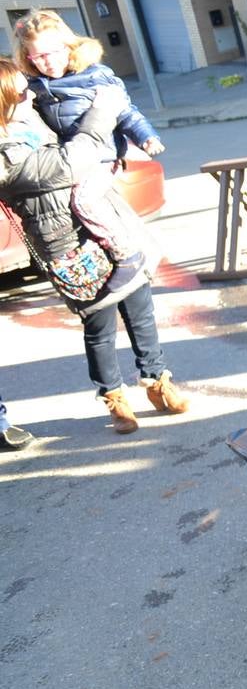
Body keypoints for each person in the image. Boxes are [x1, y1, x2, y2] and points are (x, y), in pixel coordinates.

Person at [0, 58, 189, 434]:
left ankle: (158, 382)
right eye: (22, 89)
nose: (30, 92)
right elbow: (73, 160)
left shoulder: (33, 119)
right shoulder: (6, 154)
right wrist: (103, 109)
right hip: (70, 246)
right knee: (100, 327)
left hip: (107, 227)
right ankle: (115, 399)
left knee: (141, 311)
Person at [14, 10, 165, 268]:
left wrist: (146, 136)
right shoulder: (36, 86)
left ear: (68, 46)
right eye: (39, 57)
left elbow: (125, 110)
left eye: (53, 52)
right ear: (28, 58)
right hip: (71, 158)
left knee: (84, 201)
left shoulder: (93, 75)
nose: (48, 62)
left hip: (101, 156)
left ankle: (125, 251)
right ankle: (119, 250)